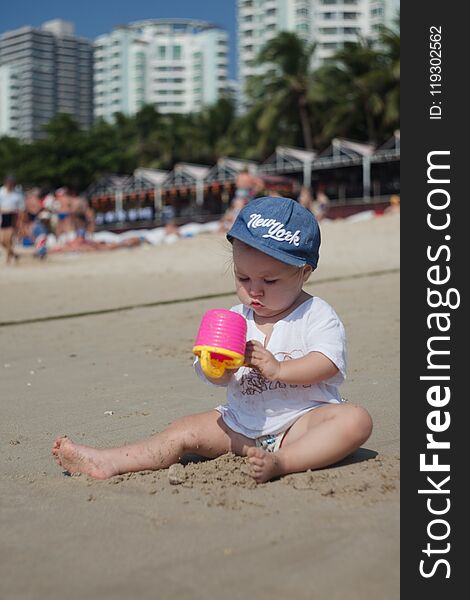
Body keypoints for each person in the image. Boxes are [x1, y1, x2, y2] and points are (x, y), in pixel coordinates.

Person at [52, 196, 372, 483]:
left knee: (354, 420)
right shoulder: (235, 317)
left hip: (300, 425)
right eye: (242, 277)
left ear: (305, 272)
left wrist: (278, 370)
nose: (254, 290)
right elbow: (211, 374)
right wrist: (217, 369)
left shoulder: (315, 313)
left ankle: (283, 462)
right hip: (239, 427)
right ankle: (108, 461)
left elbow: (327, 363)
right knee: (181, 431)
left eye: (270, 280)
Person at [0, 174, 25, 263]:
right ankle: (13, 254)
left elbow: (21, 208)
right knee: (2, 240)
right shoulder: (1, 192)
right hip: (3, 216)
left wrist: (20, 221)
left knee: (8, 239)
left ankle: (8, 259)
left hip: (12, 216)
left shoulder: (17, 194)